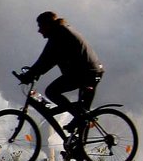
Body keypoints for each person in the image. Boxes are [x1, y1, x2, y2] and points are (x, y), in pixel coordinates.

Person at [17, 11, 105, 147]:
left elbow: (46, 59)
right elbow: (49, 60)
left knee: (52, 91)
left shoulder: (58, 35)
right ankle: (79, 149)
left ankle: (78, 116)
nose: (39, 30)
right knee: (83, 114)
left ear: (48, 25)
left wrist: (30, 75)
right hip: (92, 71)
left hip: (85, 73)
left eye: (40, 26)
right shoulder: (61, 32)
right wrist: (36, 72)